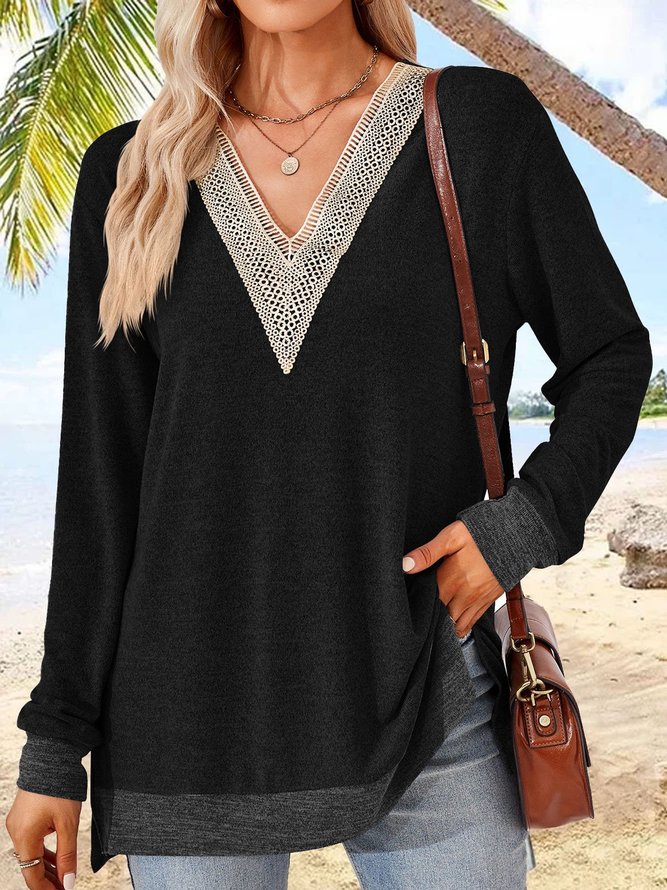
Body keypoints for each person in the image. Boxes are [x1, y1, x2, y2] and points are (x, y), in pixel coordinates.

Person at [5, 0, 653, 888]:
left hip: (426, 695)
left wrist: (522, 525)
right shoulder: (129, 172)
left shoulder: (473, 128)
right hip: (184, 721)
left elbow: (609, 355)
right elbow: (100, 483)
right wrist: (55, 741)